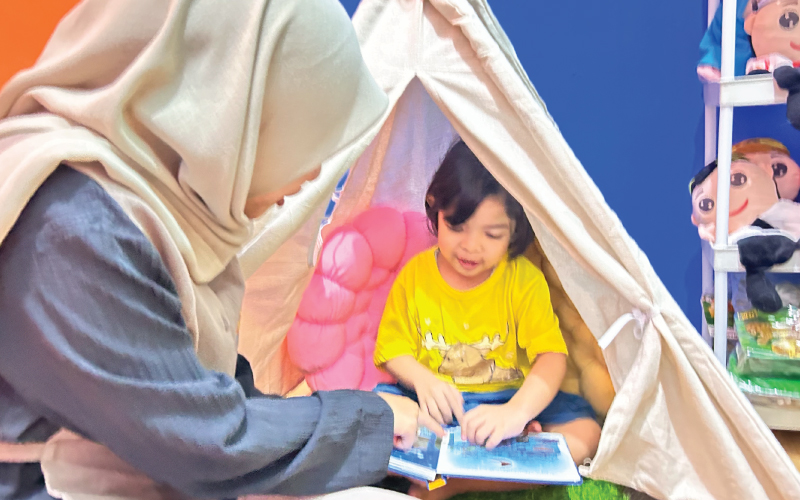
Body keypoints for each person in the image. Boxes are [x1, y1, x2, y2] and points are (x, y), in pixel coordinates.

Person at [0, 0, 440, 498]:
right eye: (300, 137)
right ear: (227, 109)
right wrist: (370, 423)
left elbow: (212, 397)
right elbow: (202, 442)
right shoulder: (76, 228)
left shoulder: (158, 205)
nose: (313, 173)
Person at [372, 140, 601, 500]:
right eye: (457, 226)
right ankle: (442, 469)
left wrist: (515, 413)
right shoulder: (415, 276)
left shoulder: (523, 280)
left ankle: (454, 483)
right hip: (436, 408)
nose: (471, 246)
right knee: (373, 420)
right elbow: (391, 350)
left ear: (515, 230)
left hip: (508, 399)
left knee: (587, 435)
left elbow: (552, 358)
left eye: (492, 234)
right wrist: (423, 381)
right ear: (434, 207)